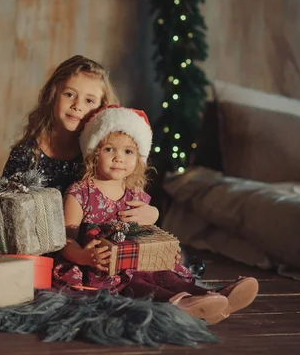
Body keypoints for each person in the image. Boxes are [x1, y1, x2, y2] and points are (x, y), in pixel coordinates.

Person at [53, 106, 259, 323]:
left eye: (128, 152)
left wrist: (154, 218)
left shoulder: (134, 193)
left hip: (138, 258)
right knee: (136, 282)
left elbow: (148, 230)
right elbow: (66, 239)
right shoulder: (81, 192)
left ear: (139, 159)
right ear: (94, 153)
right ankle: (178, 303)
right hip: (102, 267)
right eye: (109, 149)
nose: (118, 158)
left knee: (164, 271)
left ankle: (210, 296)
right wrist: (84, 256)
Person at [2, 55, 158, 224]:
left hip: (92, 245)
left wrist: (154, 213)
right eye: (69, 94)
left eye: (89, 100)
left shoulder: (102, 154)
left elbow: (126, 195)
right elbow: (4, 208)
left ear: (102, 109)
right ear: (53, 96)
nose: (77, 105)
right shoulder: (27, 154)